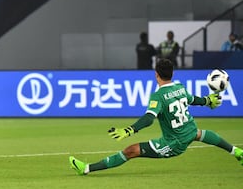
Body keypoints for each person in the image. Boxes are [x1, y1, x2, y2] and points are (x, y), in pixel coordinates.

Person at [69, 59, 243, 176]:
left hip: (174, 142)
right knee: (200, 134)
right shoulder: (180, 87)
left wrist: (130, 129)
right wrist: (207, 101)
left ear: (156, 74)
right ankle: (237, 152)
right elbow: (193, 100)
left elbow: (149, 118)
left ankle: (86, 169)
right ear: (172, 74)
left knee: (130, 151)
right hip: (188, 130)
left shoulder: (158, 96)